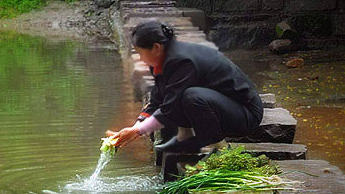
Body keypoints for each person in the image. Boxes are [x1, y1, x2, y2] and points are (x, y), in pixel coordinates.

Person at [107, 20, 264, 154]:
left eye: (140, 53)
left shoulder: (182, 61)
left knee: (191, 96)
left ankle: (220, 149)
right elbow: (158, 98)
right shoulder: (162, 59)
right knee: (179, 97)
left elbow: (170, 107)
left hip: (245, 113)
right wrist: (136, 125)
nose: (140, 58)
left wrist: (137, 131)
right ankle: (185, 139)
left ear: (156, 47)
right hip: (220, 106)